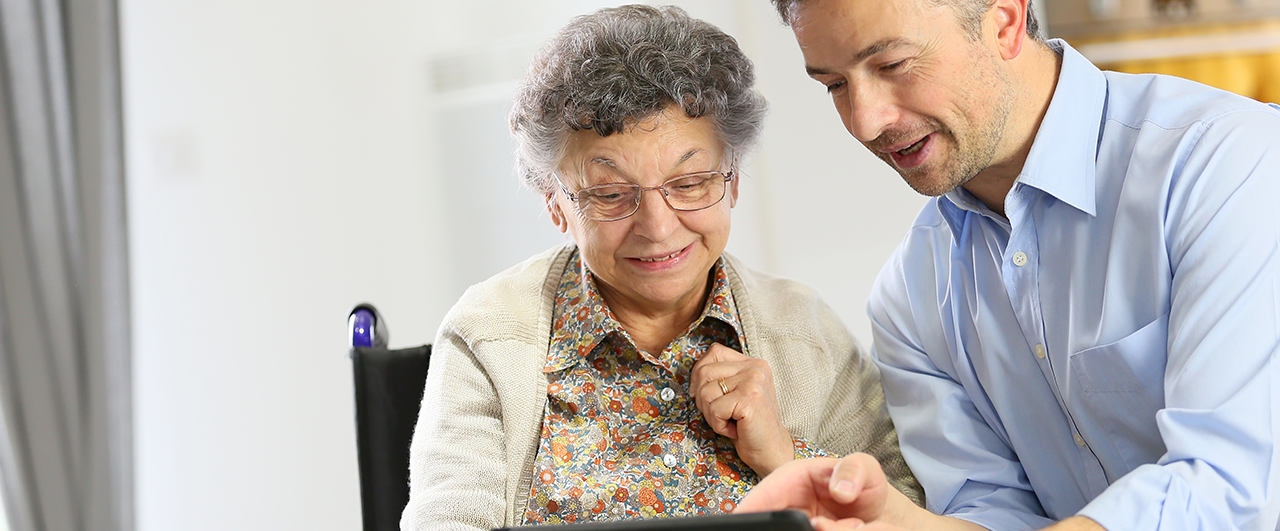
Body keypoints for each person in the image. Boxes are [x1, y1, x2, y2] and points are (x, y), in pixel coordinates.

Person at [736, 0, 1280, 530]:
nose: (865, 121)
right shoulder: (909, 294)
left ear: (1004, 22)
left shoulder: (1227, 166)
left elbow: (1228, 479)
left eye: (892, 65)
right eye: (834, 84)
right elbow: (990, 511)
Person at [399, 5, 921, 530]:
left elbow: (906, 512)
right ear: (554, 202)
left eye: (690, 183)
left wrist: (785, 457)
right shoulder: (491, 332)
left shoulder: (803, 331)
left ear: (733, 179)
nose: (658, 226)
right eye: (609, 193)